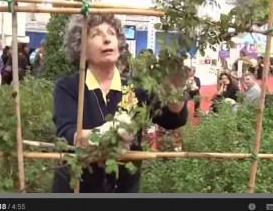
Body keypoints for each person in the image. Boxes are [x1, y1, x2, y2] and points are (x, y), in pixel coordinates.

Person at [52, 14, 188, 193]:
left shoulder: (136, 89)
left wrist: (174, 89)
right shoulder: (69, 87)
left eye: (111, 33)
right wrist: (102, 136)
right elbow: (67, 134)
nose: (107, 39)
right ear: (81, 48)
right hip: (77, 188)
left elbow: (172, 119)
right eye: (96, 35)